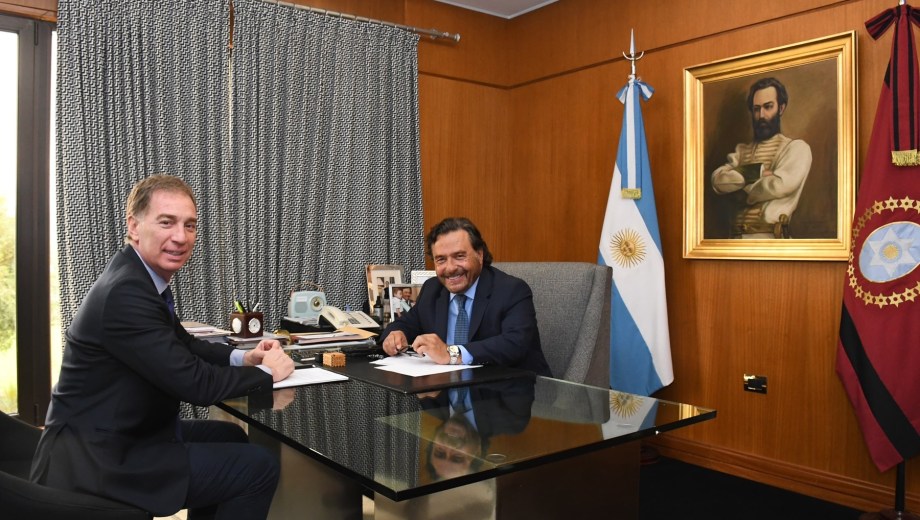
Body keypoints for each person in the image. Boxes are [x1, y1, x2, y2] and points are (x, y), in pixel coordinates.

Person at [30, 174, 294, 519]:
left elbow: (183, 343)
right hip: (101, 458)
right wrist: (266, 373)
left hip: (117, 433)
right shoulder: (127, 293)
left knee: (230, 436)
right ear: (134, 226)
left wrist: (244, 356)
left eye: (190, 225)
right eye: (167, 223)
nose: (181, 237)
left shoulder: (138, 276)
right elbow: (195, 384)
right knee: (258, 467)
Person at [380, 217, 551, 376]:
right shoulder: (433, 289)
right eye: (441, 260)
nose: (450, 268)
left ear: (480, 254)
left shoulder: (511, 290)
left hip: (513, 394)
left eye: (459, 256)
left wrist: (452, 353)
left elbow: (515, 343)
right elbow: (407, 323)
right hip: (449, 393)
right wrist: (395, 334)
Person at [711, 77, 813, 239]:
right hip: (735, 243)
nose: (761, 115)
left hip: (772, 242)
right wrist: (758, 172)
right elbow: (718, 181)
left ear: (781, 108)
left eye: (768, 107)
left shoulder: (796, 149)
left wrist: (739, 188)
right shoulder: (741, 151)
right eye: (756, 109)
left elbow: (778, 185)